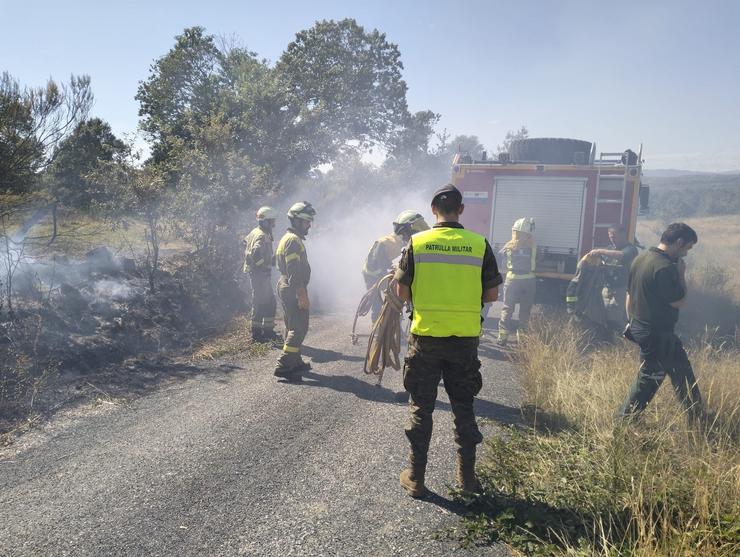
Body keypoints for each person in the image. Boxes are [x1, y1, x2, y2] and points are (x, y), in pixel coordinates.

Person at [395, 184, 502, 497]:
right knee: (464, 407)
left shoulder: (417, 242)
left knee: (421, 408)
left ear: (432, 210)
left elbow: (402, 292)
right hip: (464, 341)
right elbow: (492, 294)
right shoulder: (480, 245)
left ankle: (415, 477)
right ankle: (467, 480)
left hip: (426, 338)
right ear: (461, 209)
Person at [617, 222, 703, 423]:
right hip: (657, 334)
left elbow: (629, 294)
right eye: (688, 248)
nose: (687, 254)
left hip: (647, 329)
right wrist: (681, 275)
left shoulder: (641, 258)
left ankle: (696, 415)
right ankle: (624, 422)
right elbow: (680, 301)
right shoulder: (665, 268)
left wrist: (632, 322)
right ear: (679, 242)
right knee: (649, 378)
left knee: (682, 369)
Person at [273, 201, 316, 383]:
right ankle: (284, 365)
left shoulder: (289, 238)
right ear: (297, 221)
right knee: (299, 328)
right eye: (307, 221)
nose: (309, 225)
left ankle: (295, 362)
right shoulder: (292, 240)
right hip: (292, 287)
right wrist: (301, 293)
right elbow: (293, 269)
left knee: (291, 325)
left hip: (287, 285)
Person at [362, 210, 430, 322]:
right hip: (372, 276)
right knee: (379, 305)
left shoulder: (403, 243)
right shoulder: (384, 243)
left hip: (384, 274)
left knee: (395, 302)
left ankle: (396, 328)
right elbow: (381, 266)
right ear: (407, 230)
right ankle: (379, 333)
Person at [588, 225, 639, 329]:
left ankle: (619, 341)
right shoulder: (610, 248)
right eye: (610, 237)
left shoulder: (631, 249)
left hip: (621, 290)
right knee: (604, 316)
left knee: (616, 319)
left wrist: (600, 251)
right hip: (607, 288)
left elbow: (621, 255)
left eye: (614, 237)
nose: (612, 240)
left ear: (623, 235)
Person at [498, 217, 537, 345]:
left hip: (512, 280)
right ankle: (522, 337)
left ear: (515, 231)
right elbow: (539, 258)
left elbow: (500, 255)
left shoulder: (509, 246)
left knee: (507, 308)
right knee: (525, 309)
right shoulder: (533, 246)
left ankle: (503, 336)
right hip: (528, 281)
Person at [243, 206, 279, 342]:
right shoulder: (261, 235)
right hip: (260, 275)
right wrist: (263, 266)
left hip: (257, 274)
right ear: (265, 222)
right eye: (272, 222)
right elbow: (256, 253)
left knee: (267, 301)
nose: (274, 225)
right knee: (263, 303)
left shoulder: (255, 231)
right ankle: (258, 334)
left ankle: (265, 331)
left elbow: (245, 243)